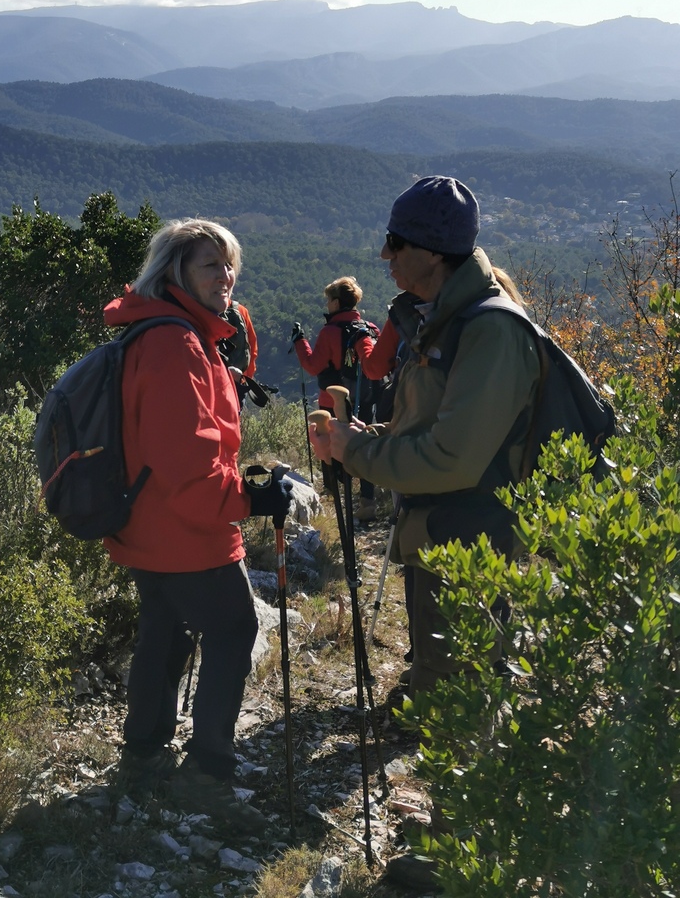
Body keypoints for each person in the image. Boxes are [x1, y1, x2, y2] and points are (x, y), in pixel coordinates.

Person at [309, 177, 540, 693]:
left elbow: (452, 458)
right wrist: (369, 434)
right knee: (433, 669)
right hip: (436, 526)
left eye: (397, 242)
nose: (385, 253)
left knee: (456, 697)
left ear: (433, 253)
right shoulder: (437, 319)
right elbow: (431, 424)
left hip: (471, 530)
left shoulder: (490, 330)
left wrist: (356, 450)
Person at [102, 217, 292, 829]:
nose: (226, 275)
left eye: (229, 263)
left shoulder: (156, 332)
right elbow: (189, 462)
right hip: (188, 531)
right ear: (176, 272)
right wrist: (249, 500)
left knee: (164, 632)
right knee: (232, 632)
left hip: (147, 526)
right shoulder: (176, 343)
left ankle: (144, 757)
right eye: (211, 265)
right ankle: (207, 775)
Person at [292, 275, 380, 520]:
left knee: (329, 449)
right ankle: (367, 501)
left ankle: (334, 505)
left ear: (337, 302)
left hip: (332, 402)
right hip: (364, 398)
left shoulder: (330, 332)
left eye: (329, 299)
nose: (327, 304)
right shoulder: (370, 328)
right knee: (363, 445)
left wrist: (300, 342)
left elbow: (312, 365)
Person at [218, 298, 259, 406]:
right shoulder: (240, 310)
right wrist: (245, 378)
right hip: (237, 381)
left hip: (211, 380)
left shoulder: (199, 309)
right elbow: (252, 348)